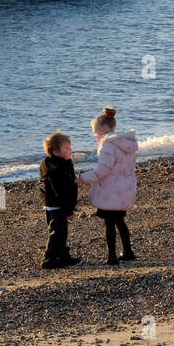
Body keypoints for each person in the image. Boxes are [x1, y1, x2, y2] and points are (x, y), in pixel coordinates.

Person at [77, 107, 139, 265]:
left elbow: (103, 170)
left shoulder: (107, 145)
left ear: (103, 128)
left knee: (110, 223)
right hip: (125, 187)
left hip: (110, 190)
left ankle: (112, 256)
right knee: (120, 220)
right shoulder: (126, 144)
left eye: (95, 131)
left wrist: (83, 179)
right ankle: (128, 251)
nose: (95, 135)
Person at [39, 131, 81, 269]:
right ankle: (49, 258)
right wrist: (68, 210)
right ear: (56, 151)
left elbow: (69, 182)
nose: (71, 150)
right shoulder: (54, 170)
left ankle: (63, 255)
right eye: (67, 148)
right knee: (57, 232)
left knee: (62, 232)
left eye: (70, 147)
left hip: (59, 204)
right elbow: (60, 192)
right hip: (56, 205)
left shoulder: (63, 163)